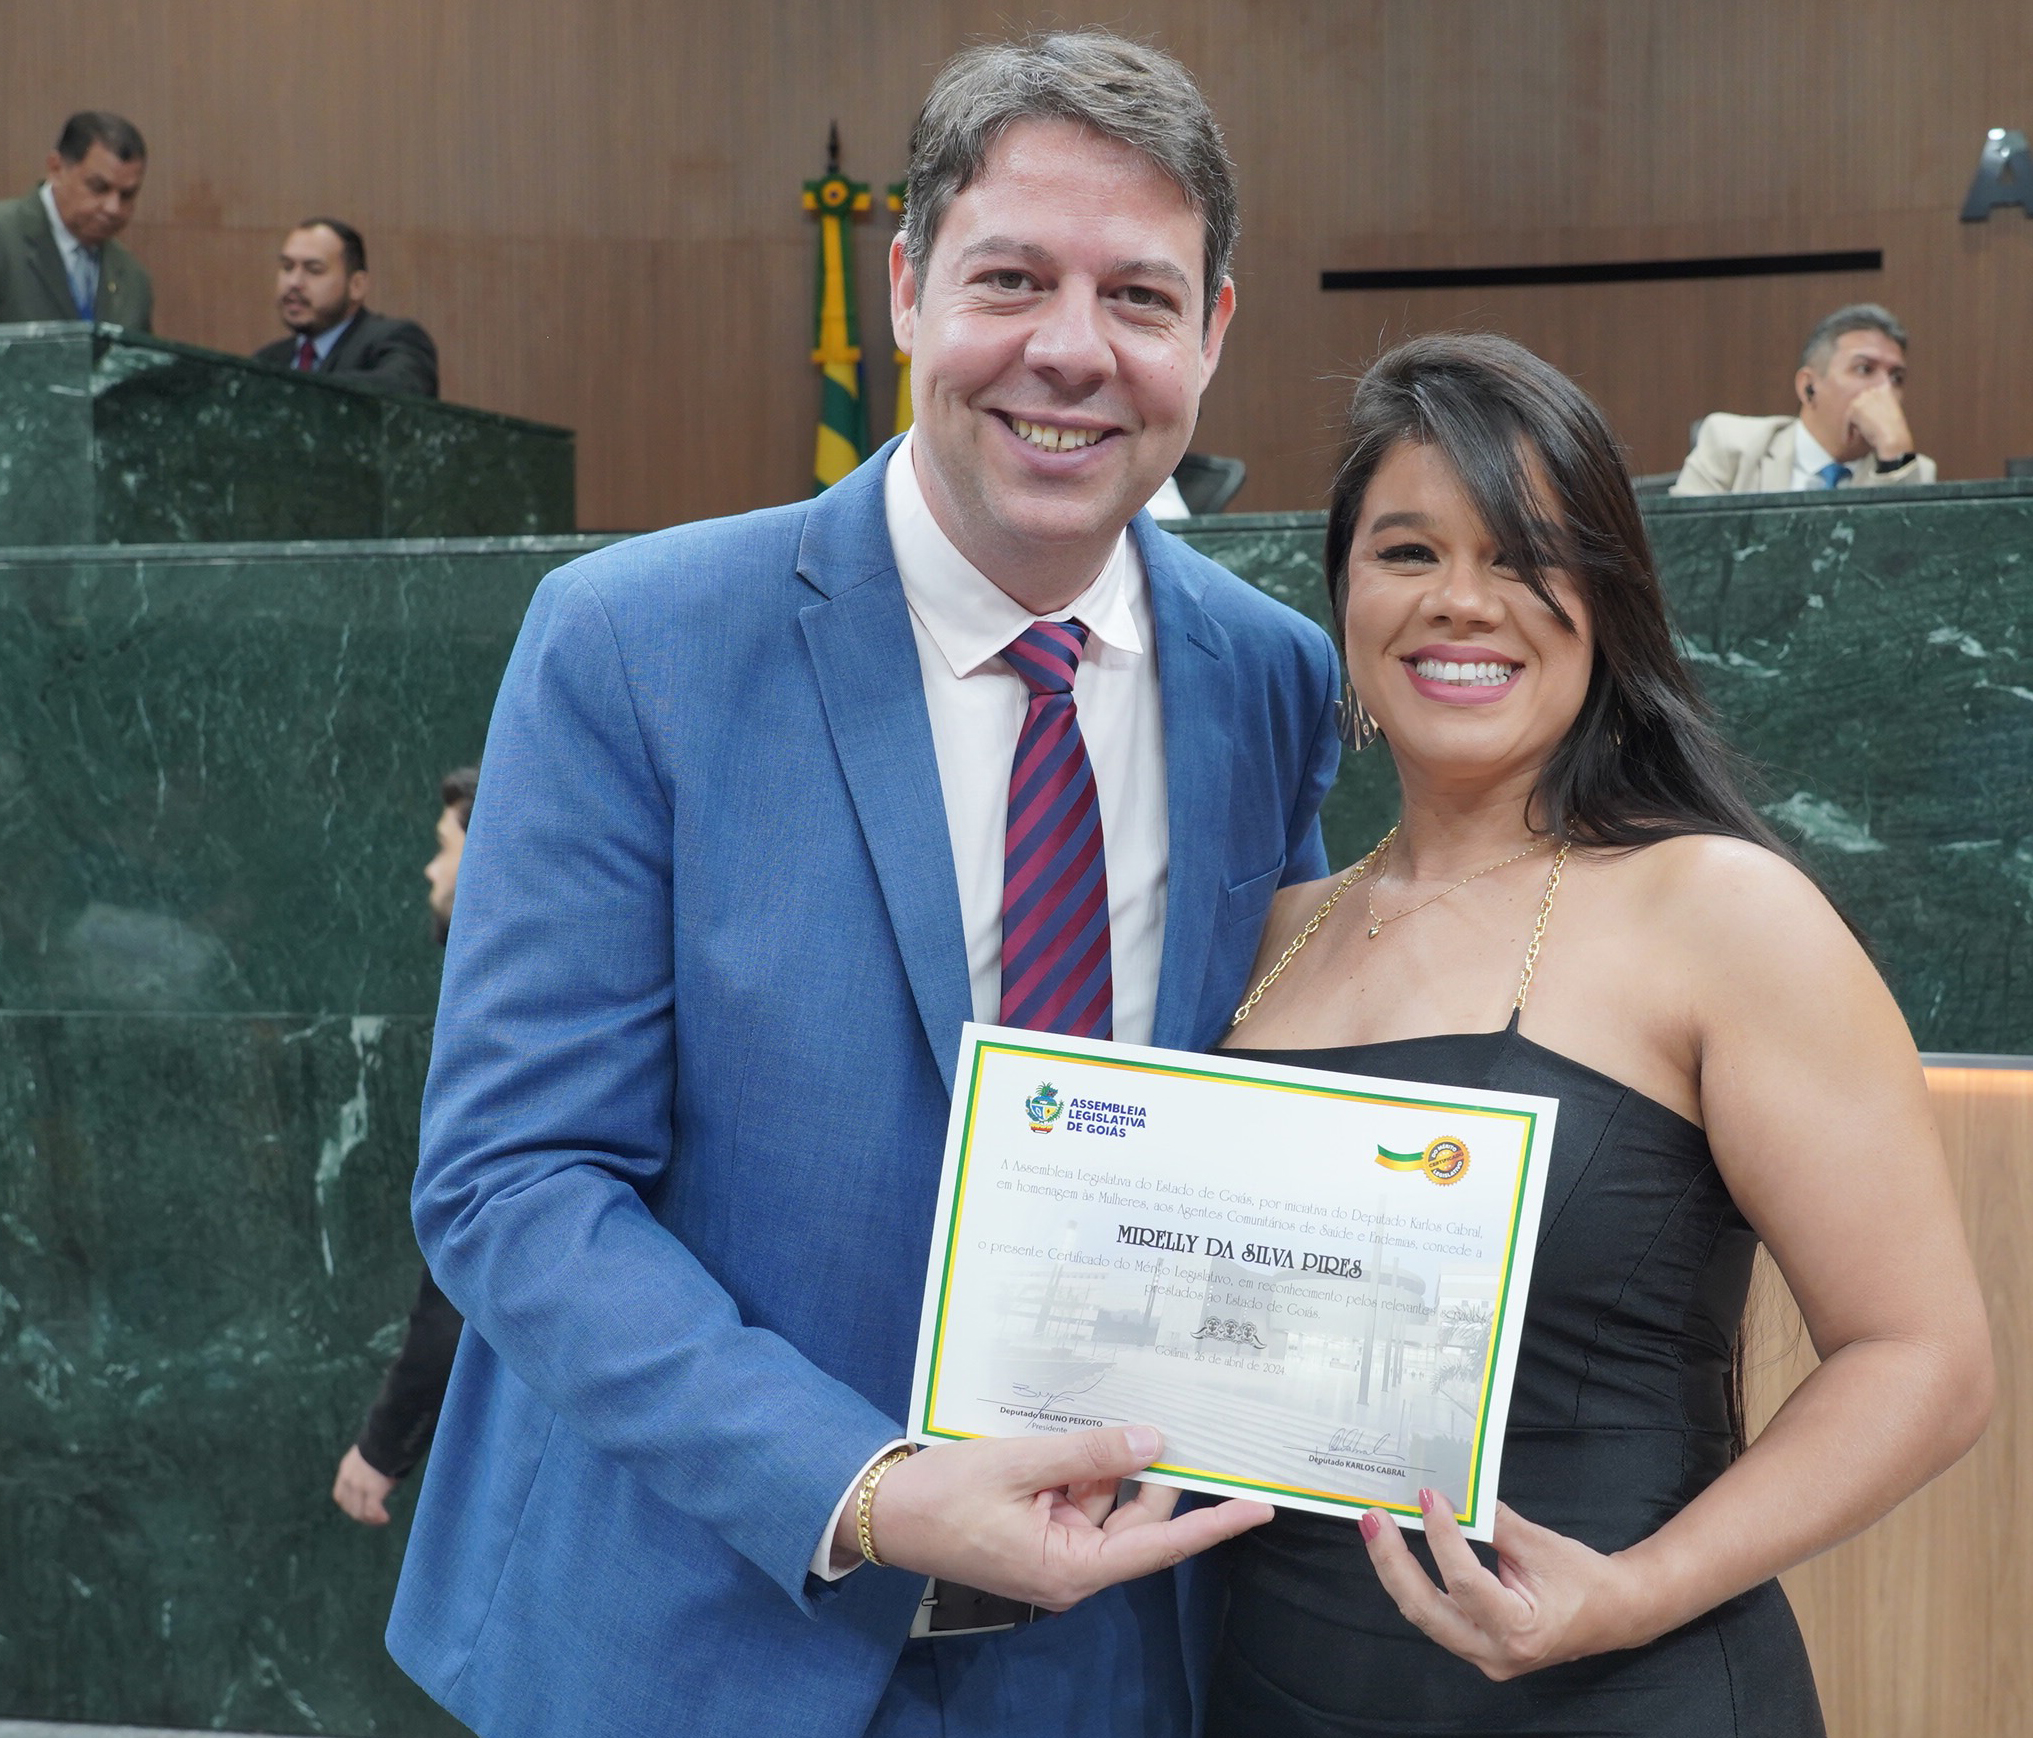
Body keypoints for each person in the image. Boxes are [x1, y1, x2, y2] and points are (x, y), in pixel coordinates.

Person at [387, 32, 1341, 1738]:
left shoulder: (1271, 677)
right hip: (702, 1634)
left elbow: (1274, 1113)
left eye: (1136, 294)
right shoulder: (631, 646)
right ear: (905, 288)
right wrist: (870, 1487)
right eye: (1010, 278)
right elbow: (514, 1181)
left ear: (1211, 330)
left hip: (1124, 1659)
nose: (1070, 348)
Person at [1211, 333, 1993, 1736]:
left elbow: (1923, 1361)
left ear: (1608, 602)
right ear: (1341, 593)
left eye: (1524, 558)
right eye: (1407, 552)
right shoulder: (1269, 937)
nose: (1461, 601)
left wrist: (1632, 1592)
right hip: (1264, 1688)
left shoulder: (1721, 910)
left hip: (1620, 1692)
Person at [330, 766, 476, 1526]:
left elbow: (473, 1249)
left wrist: (385, 1442)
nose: (430, 868)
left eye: (445, 845)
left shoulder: (505, 1016)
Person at [0, 111, 152, 330]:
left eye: (127, 195)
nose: (113, 208)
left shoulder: (132, 277)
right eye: (99, 187)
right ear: (56, 168)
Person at [1671, 304, 1935, 494]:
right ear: (1808, 386)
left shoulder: (1912, 472)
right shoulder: (1730, 445)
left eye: (1897, 377)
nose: (1885, 390)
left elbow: (1903, 553)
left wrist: (1895, 457)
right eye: (1864, 369)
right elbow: (1681, 547)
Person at [250, 218, 440, 398]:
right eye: (287, 267)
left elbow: (402, 388)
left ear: (356, 285)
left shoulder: (396, 338)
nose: (294, 282)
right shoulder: (267, 360)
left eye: (314, 270)